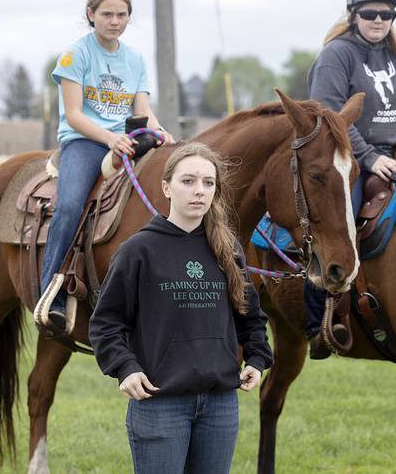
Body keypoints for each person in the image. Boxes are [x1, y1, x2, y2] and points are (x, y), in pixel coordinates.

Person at [89, 142, 273, 474]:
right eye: (188, 181)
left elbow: (249, 314)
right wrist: (125, 367)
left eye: (208, 183)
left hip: (220, 405)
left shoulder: (227, 248)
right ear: (167, 188)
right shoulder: (138, 250)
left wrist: (257, 359)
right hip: (161, 402)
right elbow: (106, 323)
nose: (199, 191)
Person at [34, 0, 174, 334]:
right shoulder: (74, 56)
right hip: (86, 142)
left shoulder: (135, 59)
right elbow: (75, 114)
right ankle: (48, 292)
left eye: (122, 15)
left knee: (179, 184)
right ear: (91, 15)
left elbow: (142, 109)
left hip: (128, 138)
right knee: (68, 206)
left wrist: (164, 134)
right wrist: (111, 138)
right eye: (107, 14)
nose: (115, 21)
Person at [304, 0, 396, 359]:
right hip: (348, 160)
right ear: (353, 13)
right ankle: (319, 320)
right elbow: (329, 114)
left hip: (395, 157)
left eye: (387, 13)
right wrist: (369, 158)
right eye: (370, 12)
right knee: (334, 225)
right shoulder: (336, 55)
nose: (378, 20)